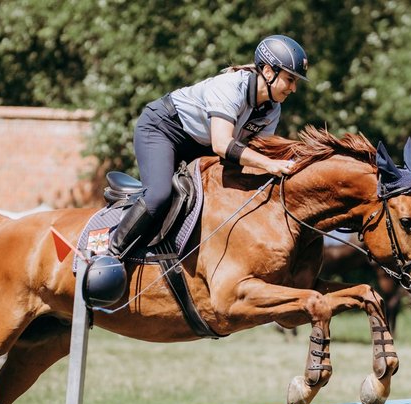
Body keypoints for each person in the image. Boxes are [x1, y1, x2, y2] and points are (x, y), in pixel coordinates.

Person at [107, 34, 309, 257]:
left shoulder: (273, 108)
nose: (293, 88)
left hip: (201, 144)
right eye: (290, 79)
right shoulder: (230, 87)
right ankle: (111, 253)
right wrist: (270, 164)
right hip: (163, 129)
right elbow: (223, 144)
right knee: (160, 195)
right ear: (269, 72)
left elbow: (256, 152)